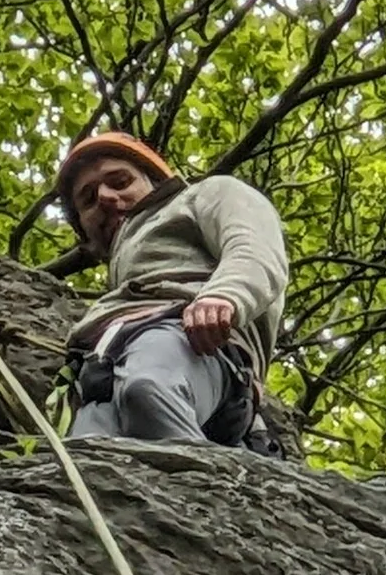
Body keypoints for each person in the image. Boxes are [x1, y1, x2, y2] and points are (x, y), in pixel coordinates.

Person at [58, 132, 289, 448]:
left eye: (120, 181)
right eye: (88, 199)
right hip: (103, 367)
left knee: (148, 388)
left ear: (154, 181)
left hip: (190, 339)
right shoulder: (123, 274)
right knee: (86, 453)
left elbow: (254, 246)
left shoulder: (203, 195)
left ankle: (215, 491)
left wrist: (223, 296)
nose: (104, 197)